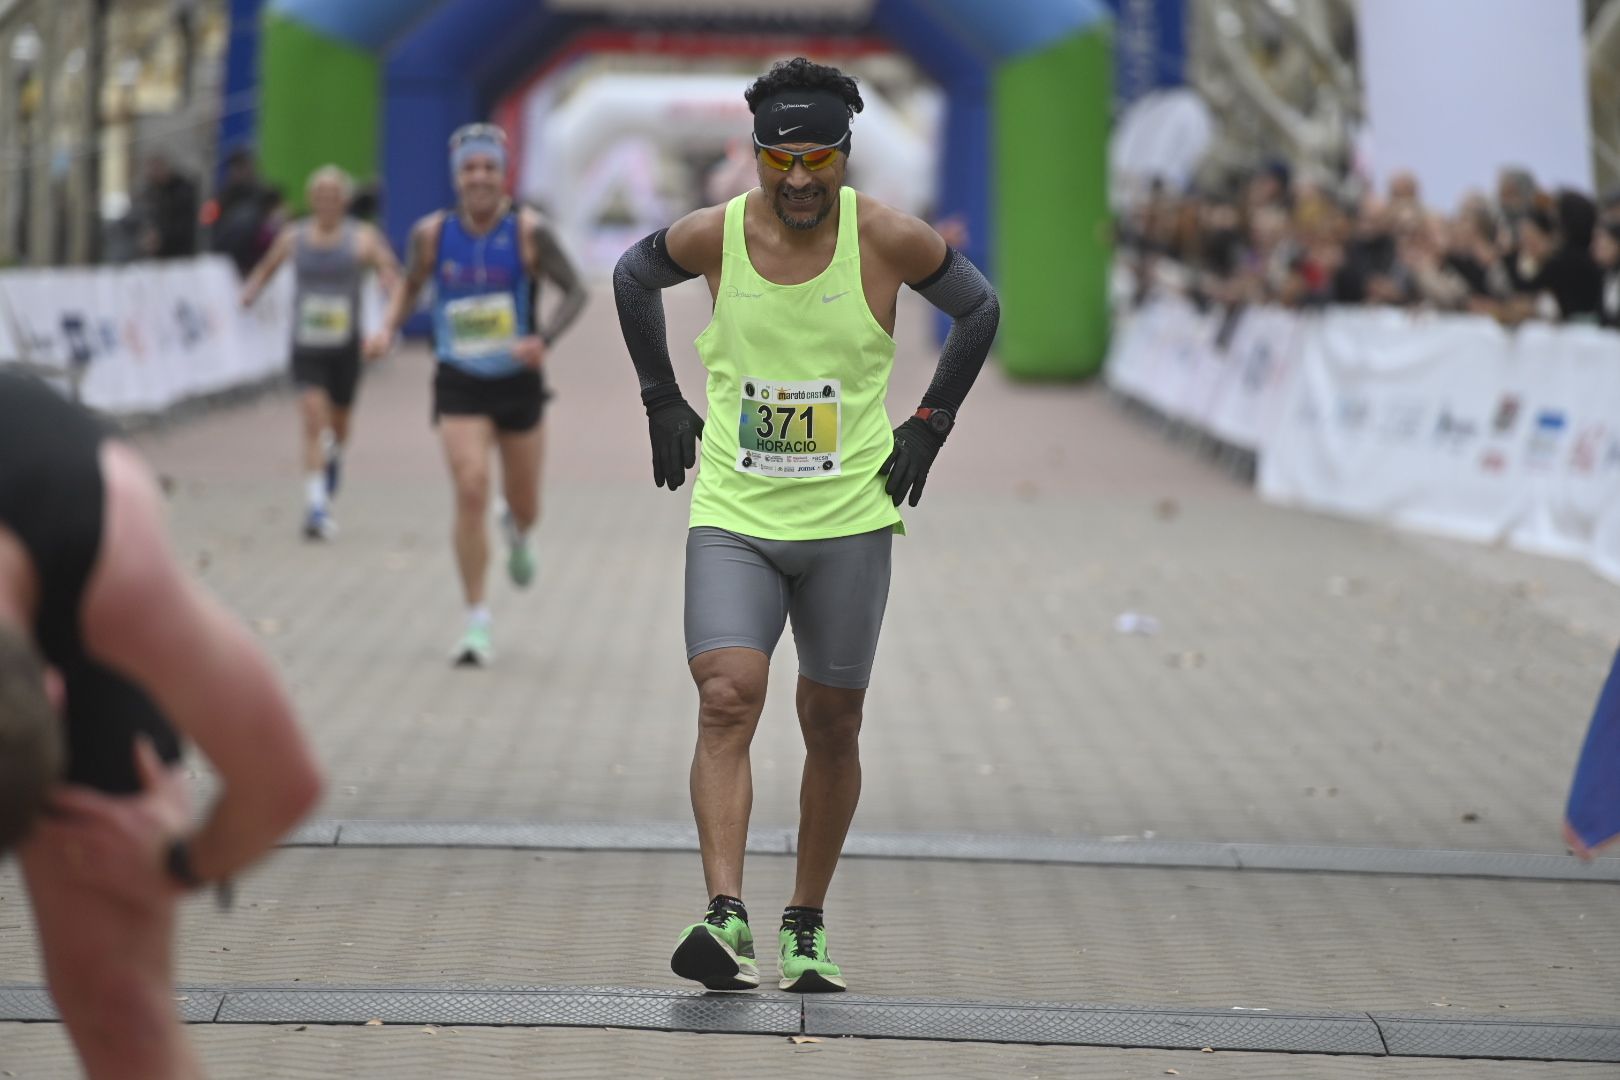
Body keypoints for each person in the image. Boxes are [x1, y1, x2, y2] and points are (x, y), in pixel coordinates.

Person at [612, 56, 1000, 993]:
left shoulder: (889, 240)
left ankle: (807, 923)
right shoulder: (717, 237)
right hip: (736, 513)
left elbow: (978, 309)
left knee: (832, 721)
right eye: (778, 159)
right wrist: (661, 398)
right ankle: (725, 915)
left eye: (817, 158)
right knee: (726, 696)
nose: (796, 180)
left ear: (845, 154)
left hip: (847, 524)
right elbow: (631, 274)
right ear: (753, 155)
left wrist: (931, 424)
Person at [0, 369, 323, 1078]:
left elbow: (285, 781)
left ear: (52, 690)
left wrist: (179, 861)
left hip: (65, 546)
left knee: (119, 1010)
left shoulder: (119, 563)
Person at [366, 123, 588, 666]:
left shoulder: (530, 232)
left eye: (489, 167)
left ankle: (516, 530)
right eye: (470, 169)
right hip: (459, 379)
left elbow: (577, 291)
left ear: (503, 171)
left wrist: (544, 339)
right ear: (457, 176)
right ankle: (476, 622)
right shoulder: (433, 234)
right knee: (469, 487)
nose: (480, 177)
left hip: (518, 383)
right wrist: (388, 327)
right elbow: (413, 284)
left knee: (526, 503)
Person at [241, 165, 402, 540]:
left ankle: (335, 458)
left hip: (345, 348)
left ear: (344, 201)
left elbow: (388, 268)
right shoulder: (293, 238)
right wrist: (251, 292)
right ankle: (316, 506)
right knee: (313, 419)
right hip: (306, 345)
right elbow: (267, 268)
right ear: (312, 201)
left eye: (334, 196)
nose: (327, 203)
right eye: (320, 196)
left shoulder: (361, 238)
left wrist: (388, 280)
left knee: (339, 426)